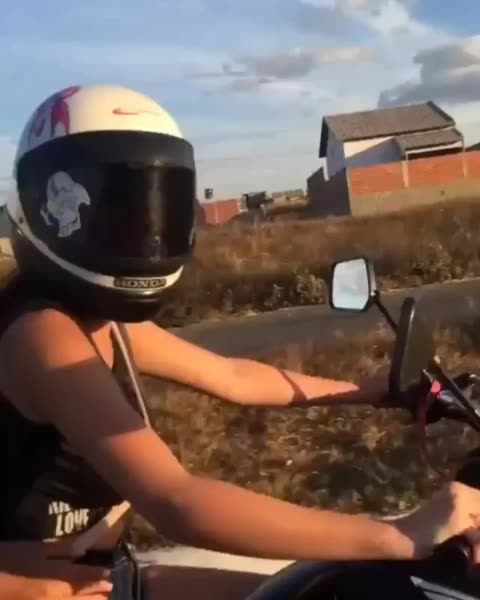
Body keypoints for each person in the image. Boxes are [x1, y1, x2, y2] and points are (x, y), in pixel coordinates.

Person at [1, 83, 480, 600]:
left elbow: (234, 378)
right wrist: (399, 535)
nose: (144, 234)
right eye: (118, 213)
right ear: (47, 209)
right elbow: (175, 502)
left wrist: (370, 390)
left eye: (153, 209)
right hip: (58, 590)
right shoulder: (42, 335)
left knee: (318, 593)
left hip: (112, 575)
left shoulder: (106, 322)